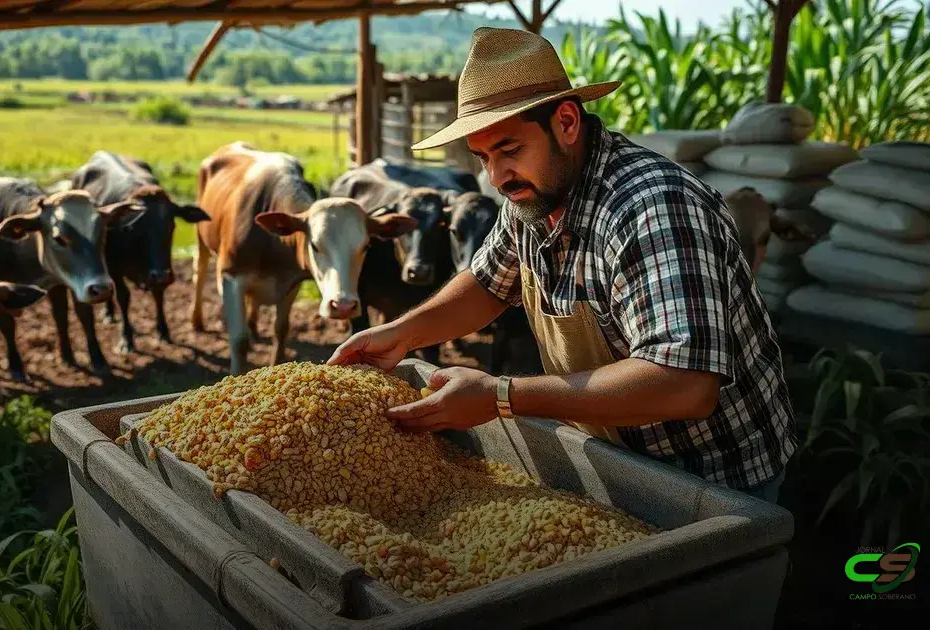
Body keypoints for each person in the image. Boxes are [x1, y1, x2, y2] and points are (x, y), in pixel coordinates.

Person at [328, 27, 796, 503]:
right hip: (616, 453)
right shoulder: (531, 193)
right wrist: (400, 335)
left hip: (713, 478)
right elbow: (488, 284)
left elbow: (685, 385)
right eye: (483, 157)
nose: (497, 177)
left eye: (509, 150)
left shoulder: (653, 208)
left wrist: (499, 396)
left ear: (567, 122)